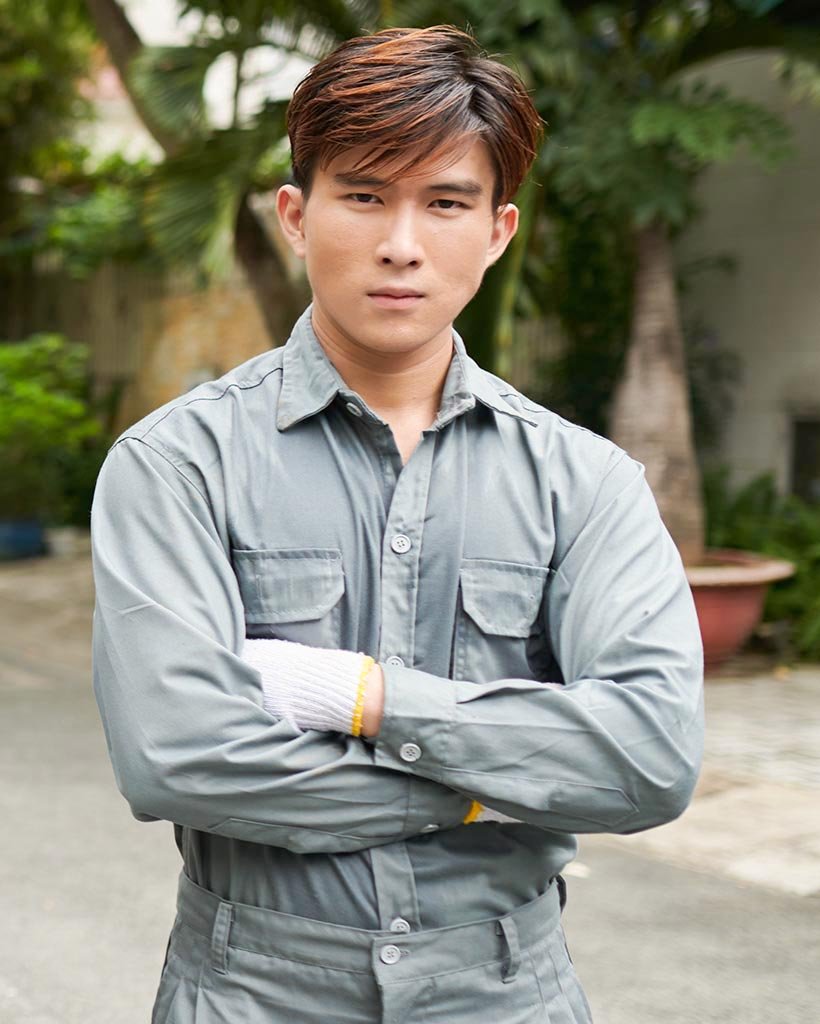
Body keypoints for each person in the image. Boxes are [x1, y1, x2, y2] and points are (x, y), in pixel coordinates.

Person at [90, 25, 704, 1024]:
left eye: (446, 202)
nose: (402, 244)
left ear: (498, 230)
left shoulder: (585, 483)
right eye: (366, 196)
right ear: (297, 215)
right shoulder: (177, 464)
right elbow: (180, 755)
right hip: (254, 992)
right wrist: (491, 785)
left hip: (507, 995)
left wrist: (365, 698)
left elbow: (648, 759)